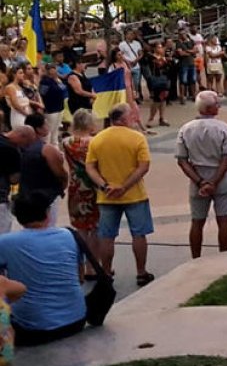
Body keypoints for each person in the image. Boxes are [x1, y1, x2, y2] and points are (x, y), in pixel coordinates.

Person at [0, 191, 86, 346]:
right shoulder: (68, 235)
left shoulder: (6, 242)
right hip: (77, 320)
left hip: (33, 330)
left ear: (17, 216)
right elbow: (80, 278)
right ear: (47, 213)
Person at [86, 103, 154, 285]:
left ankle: (106, 272)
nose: (134, 119)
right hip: (135, 195)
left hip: (107, 196)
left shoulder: (98, 139)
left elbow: (90, 167)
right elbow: (144, 166)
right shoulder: (137, 138)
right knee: (139, 234)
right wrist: (124, 187)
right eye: (131, 116)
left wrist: (104, 186)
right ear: (123, 119)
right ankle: (141, 272)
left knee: (107, 236)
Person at [175, 91, 227, 259]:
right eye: (216, 104)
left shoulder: (186, 129)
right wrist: (214, 182)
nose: (219, 107)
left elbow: (182, 160)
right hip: (221, 178)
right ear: (209, 109)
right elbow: (226, 159)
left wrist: (200, 181)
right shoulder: (223, 128)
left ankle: (196, 258)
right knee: (223, 220)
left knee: (197, 221)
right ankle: (224, 257)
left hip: (197, 177)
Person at [61, 110, 101, 275]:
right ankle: (93, 265)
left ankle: (81, 266)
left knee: (81, 228)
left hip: (76, 186)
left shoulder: (66, 142)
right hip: (93, 186)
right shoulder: (94, 142)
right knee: (96, 227)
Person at [19, 113, 67, 224]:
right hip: (46, 195)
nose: (48, 127)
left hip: (26, 193)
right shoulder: (46, 149)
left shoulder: (20, 147)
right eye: (45, 124)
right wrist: (63, 183)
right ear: (38, 129)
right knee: (48, 225)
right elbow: (61, 174)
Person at [0, 127, 36, 235]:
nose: (25, 147)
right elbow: (14, 179)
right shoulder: (12, 151)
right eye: (26, 144)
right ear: (22, 136)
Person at [37, 64, 66, 146]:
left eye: (55, 69)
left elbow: (63, 88)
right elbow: (42, 94)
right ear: (48, 71)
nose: (54, 71)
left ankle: (55, 146)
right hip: (50, 109)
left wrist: (57, 80)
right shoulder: (45, 81)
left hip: (59, 107)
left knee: (56, 130)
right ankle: (47, 146)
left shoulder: (57, 80)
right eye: (52, 69)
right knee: (49, 130)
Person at [118, 30, 144, 101]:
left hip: (136, 66)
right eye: (129, 34)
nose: (131, 35)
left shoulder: (137, 43)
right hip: (127, 66)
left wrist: (136, 60)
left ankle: (137, 95)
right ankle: (130, 97)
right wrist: (127, 61)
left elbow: (141, 54)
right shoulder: (122, 44)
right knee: (128, 83)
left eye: (132, 34)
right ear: (126, 35)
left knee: (136, 82)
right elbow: (120, 55)